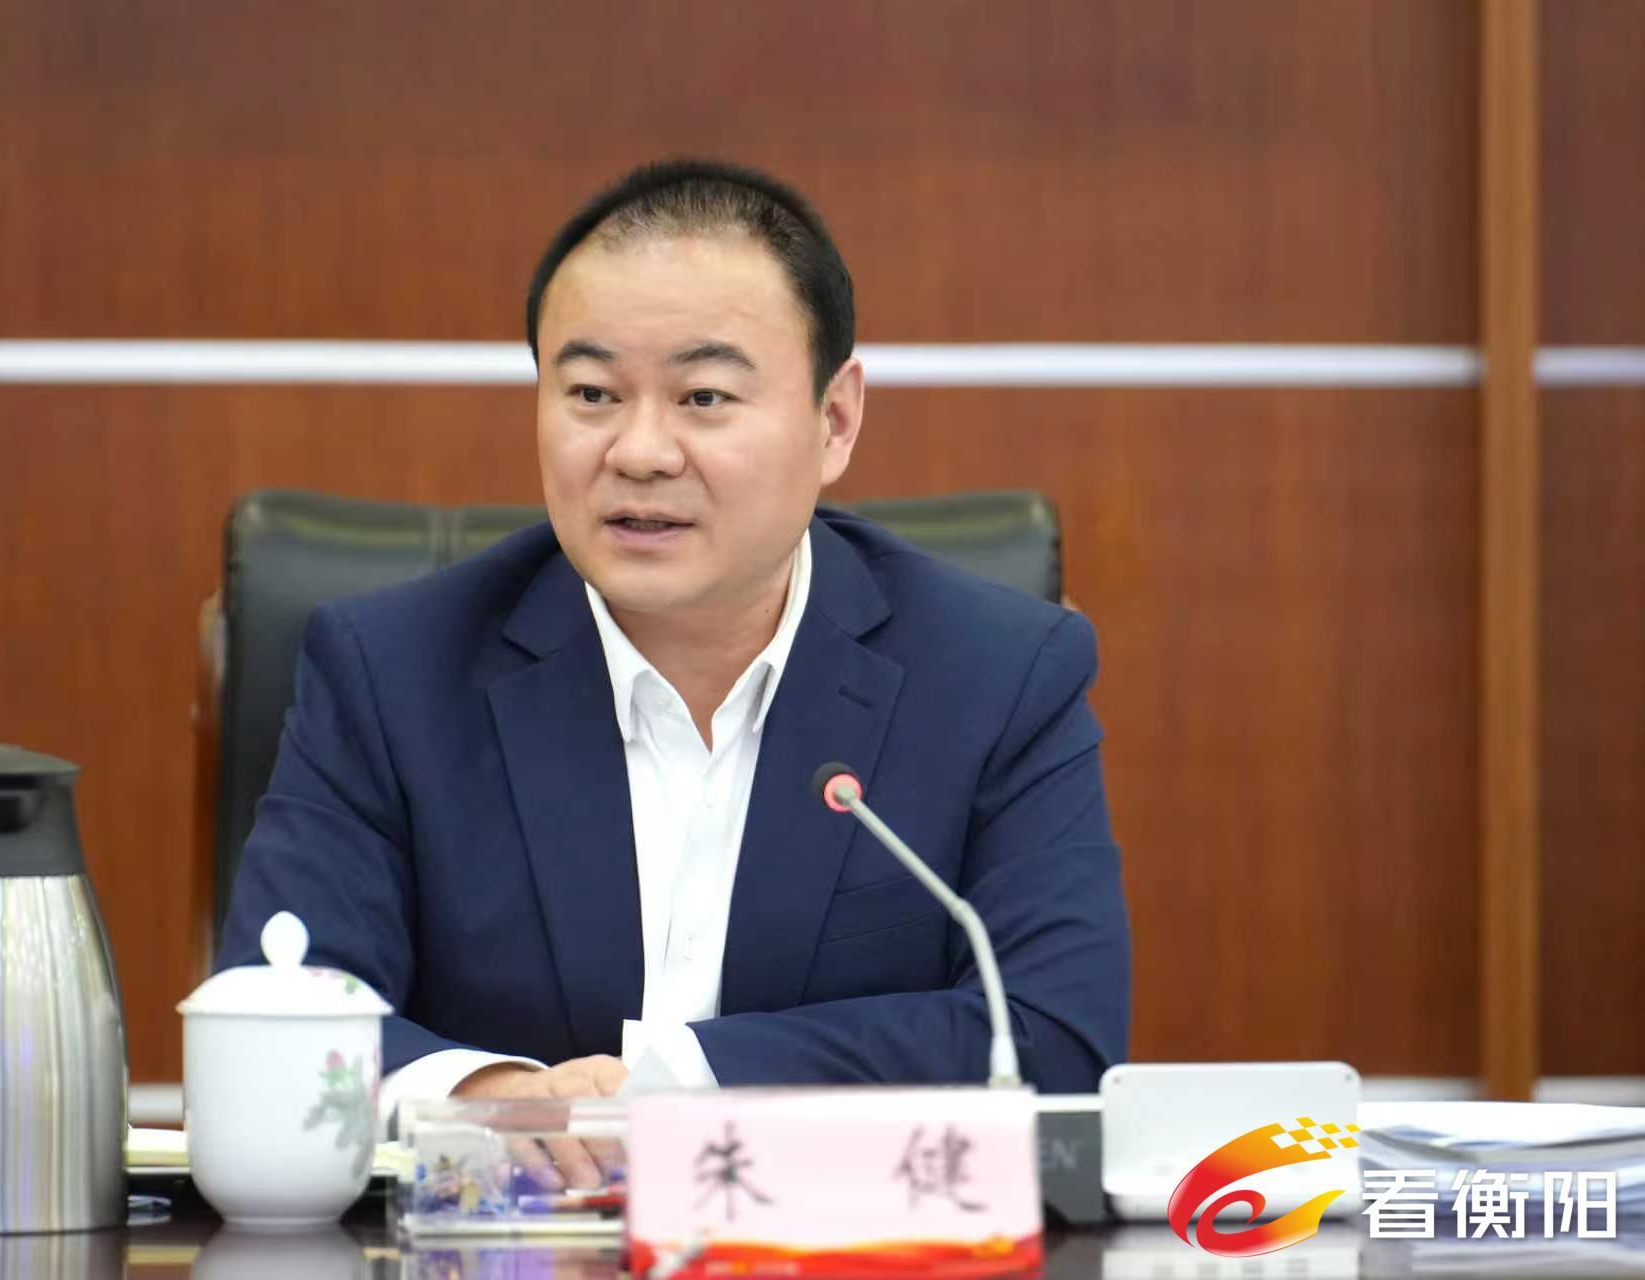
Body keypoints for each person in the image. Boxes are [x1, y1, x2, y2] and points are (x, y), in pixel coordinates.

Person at [218, 160, 1130, 1172]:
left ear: (834, 419)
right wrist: (488, 1100)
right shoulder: (390, 674)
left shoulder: (996, 676)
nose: (640, 452)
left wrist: (669, 1084)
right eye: (591, 393)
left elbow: (1052, 1034)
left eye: (703, 395)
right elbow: (277, 1023)